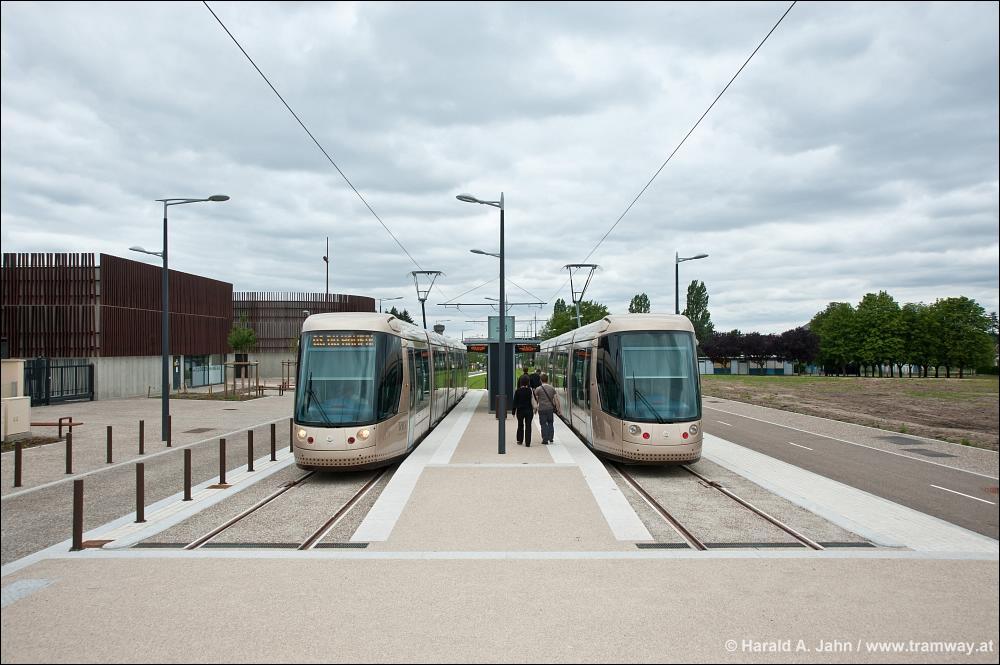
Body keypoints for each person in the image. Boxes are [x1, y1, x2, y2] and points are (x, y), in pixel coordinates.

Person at [533, 372, 561, 445]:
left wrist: (535, 409)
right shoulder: (552, 388)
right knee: (550, 423)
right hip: (550, 409)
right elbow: (556, 399)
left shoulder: (538, 389)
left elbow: (536, 400)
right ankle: (551, 438)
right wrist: (558, 409)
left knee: (543, 424)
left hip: (542, 409)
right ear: (547, 380)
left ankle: (545, 439)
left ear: (540, 380)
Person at [511, 374, 535, 447]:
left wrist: (513, 411)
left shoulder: (518, 391)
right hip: (529, 410)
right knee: (528, 426)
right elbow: (533, 400)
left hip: (520, 411)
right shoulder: (530, 390)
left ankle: (520, 440)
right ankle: (528, 442)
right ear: (528, 382)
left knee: (520, 425)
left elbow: (515, 402)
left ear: (521, 382)